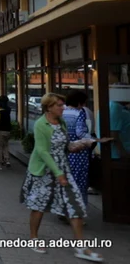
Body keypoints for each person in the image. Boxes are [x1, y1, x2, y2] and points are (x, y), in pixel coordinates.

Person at [20, 93, 112, 261]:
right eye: (59, 105)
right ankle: (33, 238)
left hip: (63, 170)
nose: (63, 108)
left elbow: (66, 145)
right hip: (45, 171)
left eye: (62, 104)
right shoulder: (41, 124)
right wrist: (58, 173)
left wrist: (86, 143)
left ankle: (81, 247)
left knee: (75, 203)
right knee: (39, 206)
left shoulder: (61, 122)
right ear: (49, 108)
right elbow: (42, 151)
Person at [0, 96, 12, 170]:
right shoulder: (7, 111)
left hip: (0, 131)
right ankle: (7, 161)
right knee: (6, 146)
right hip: (8, 131)